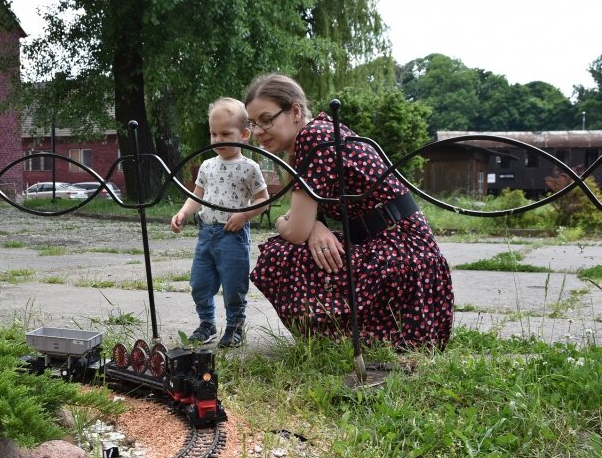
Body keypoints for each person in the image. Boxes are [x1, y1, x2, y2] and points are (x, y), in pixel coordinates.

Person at [244, 73, 453, 350]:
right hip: (405, 252)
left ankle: (335, 341)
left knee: (279, 254)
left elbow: (294, 231)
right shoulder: (319, 131)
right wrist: (314, 226)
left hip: (402, 255)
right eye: (253, 123)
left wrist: (286, 223)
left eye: (266, 119)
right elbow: (308, 215)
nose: (258, 131)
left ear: (295, 110)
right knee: (307, 250)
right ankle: (343, 340)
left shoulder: (314, 138)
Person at [171, 98, 269, 347]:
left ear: (245, 134)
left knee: (234, 285)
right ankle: (207, 324)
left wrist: (244, 215)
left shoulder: (250, 167)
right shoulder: (207, 165)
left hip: (232, 235)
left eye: (225, 133)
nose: (218, 139)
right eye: (214, 134)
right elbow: (197, 196)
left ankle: (235, 327)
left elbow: (263, 200)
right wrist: (183, 213)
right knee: (200, 283)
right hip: (206, 234)